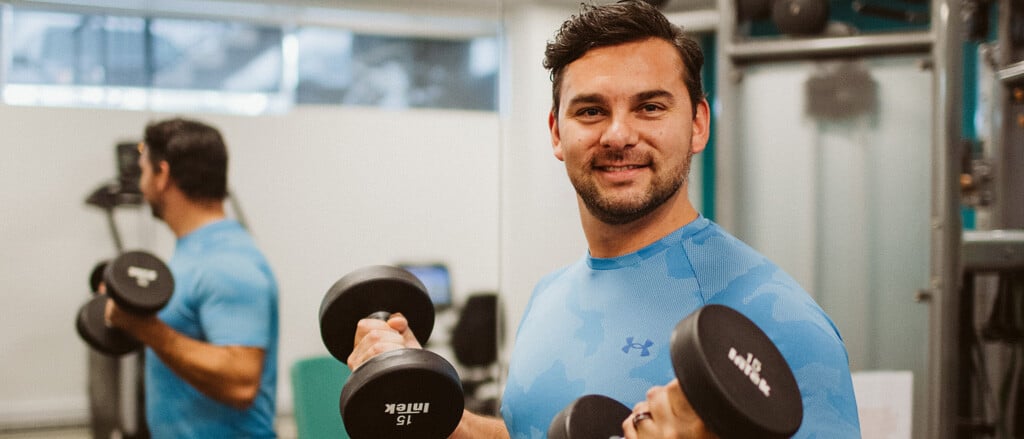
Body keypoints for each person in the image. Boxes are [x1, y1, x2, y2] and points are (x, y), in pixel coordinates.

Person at [347, 1, 861, 438]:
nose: (618, 135)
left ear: (698, 123)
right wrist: (418, 387)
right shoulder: (549, 295)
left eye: (650, 107)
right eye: (591, 111)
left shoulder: (775, 320)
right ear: (556, 132)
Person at [103, 118, 279, 438]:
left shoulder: (227, 262)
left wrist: (142, 326)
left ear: (163, 175)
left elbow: (241, 381)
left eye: (144, 171)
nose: (141, 185)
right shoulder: (194, 252)